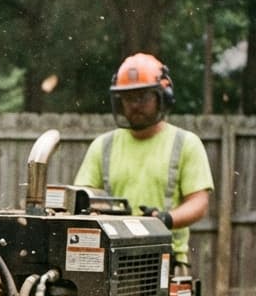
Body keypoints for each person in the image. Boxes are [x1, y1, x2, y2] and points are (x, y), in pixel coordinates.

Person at [74, 53, 213, 273]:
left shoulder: (186, 143)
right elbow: (83, 194)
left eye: (143, 97)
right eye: (128, 98)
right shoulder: (103, 145)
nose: (135, 105)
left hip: (167, 259)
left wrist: (166, 219)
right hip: (112, 259)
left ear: (162, 96)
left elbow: (199, 203)